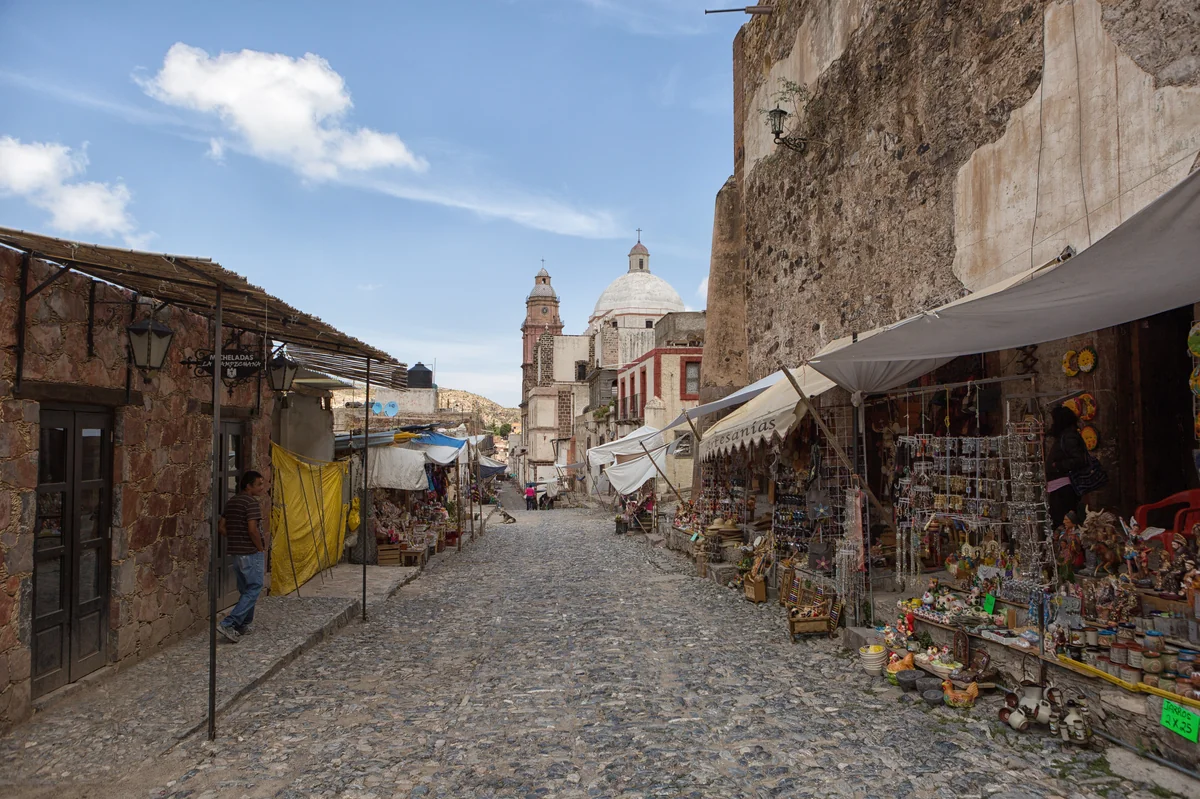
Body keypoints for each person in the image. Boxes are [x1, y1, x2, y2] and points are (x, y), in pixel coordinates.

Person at [217, 470, 268, 643]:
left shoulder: (231, 502)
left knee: (246, 589)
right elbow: (252, 530)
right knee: (254, 587)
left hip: (236, 552)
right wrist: (260, 548)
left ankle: (243, 624)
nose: (262, 488)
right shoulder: (251, 503)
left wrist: (235, 537)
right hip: (250, 552)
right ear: (248, 486)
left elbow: (221, 527)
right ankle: (229, 623)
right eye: (259, 484)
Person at [1046, 406, 1088, 529]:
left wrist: (1058, 465)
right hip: (1058, 487)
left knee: (1062, 522)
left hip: (1065, 488)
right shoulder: (1063, 436)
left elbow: (1079, 460)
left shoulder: (1069, 436)